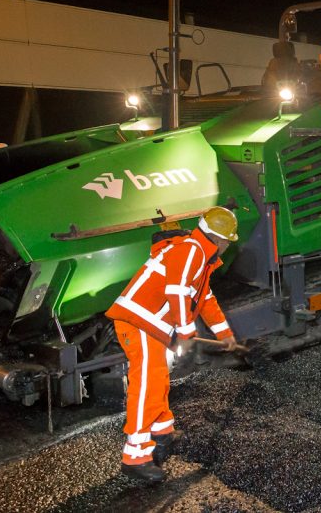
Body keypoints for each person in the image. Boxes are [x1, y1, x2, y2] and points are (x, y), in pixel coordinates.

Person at [105, 206, 242, 483]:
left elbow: (204, 299)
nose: (228, 245)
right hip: (139, 321)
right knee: (147, 384)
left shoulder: (200, 258)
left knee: (158, 378)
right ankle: (135, 457)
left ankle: (162, 432)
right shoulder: (191, 251)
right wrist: (186, 331)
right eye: (228, 240)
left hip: (152, 324)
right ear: (219, 239)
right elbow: (177, 291)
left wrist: (224, 333)